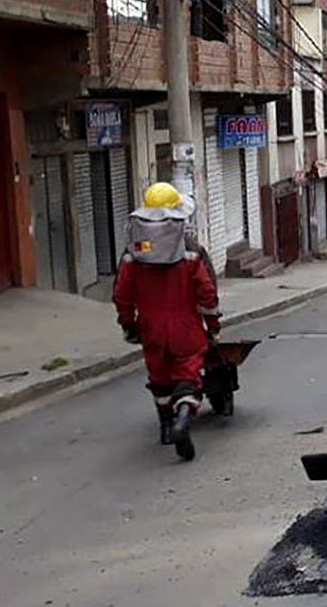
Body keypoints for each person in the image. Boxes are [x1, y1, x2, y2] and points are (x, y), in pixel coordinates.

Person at [113, 182, 220, 461]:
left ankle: (165, 426)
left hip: (151, 329)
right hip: (186, 328)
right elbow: (206, 295)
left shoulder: (132, 255)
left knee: (160, 379)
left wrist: (128, 324)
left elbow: (122, 296)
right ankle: (183, 418)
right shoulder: (191, 253)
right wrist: (213, 327)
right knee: (188, 378)